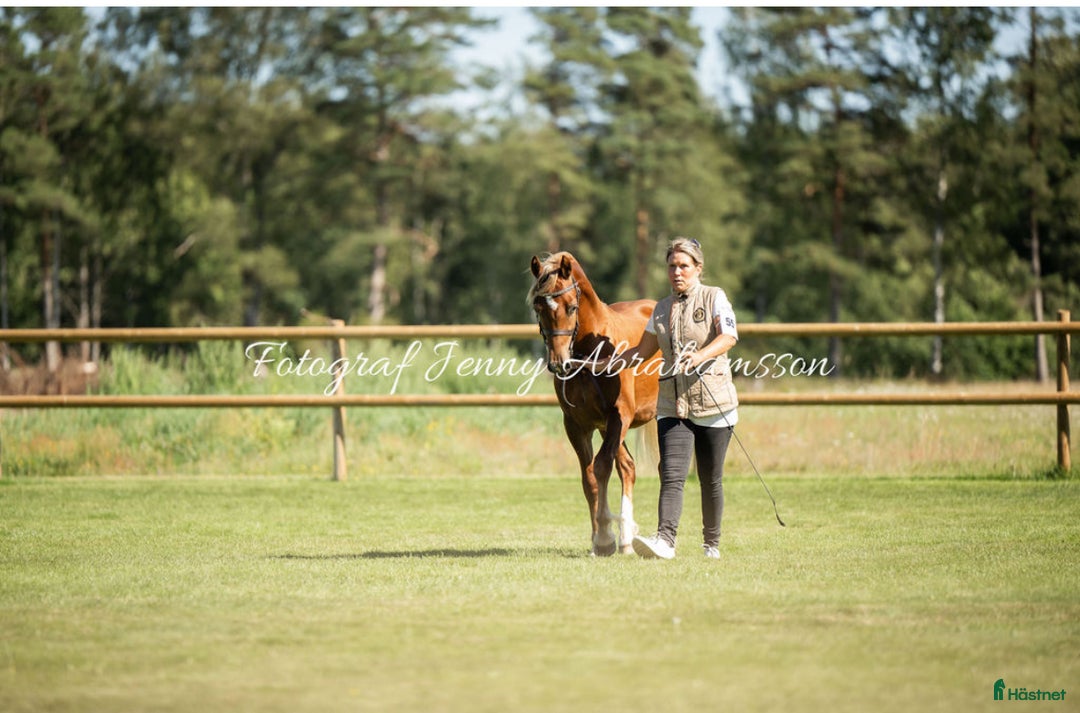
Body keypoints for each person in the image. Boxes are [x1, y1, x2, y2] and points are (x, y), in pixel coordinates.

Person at [606, 237, 740, 560]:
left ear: (698, 268)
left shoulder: (715, 298)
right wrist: (605, 363)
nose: (677, 272)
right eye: (672, 266)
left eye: (683, 266)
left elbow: (729, 337)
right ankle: (665, 541)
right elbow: (641, 352)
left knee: (710, 479)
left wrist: (701, 356)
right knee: (672, 475)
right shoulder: (661, 309)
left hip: (714, 403)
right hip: (672, 405)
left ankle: (711, 543)